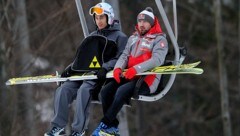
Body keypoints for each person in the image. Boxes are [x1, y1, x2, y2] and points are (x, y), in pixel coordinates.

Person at [44, 2, 128, 136]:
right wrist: (70, 69)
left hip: (101, 76)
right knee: (63, 89)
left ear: (109, 18)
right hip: (86, 73)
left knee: (84, 90)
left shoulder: (120, 37)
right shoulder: (92, 36)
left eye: (102, 17)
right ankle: (58, 127)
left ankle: (78, 130)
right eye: (96, 18)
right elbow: (83, 58)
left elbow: (121, 58)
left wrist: (105, 68)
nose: (98, 21)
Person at [91, 7, 169, 136]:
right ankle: (112, 128)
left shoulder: (159, 39)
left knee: (122, 91)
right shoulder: (133, 38)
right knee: (105, 91)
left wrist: (136, 69)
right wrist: (118, 68)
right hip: (129, 75)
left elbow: (157, 60)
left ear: (152, 23)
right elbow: (125, 55)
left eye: (145, 22)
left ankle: (104, 125)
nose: (142, 24)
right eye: (140, 21)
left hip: (147, 79)